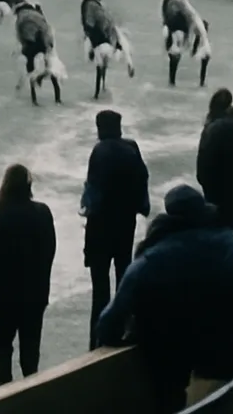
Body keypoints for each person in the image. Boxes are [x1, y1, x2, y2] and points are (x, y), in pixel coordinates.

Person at [96, 184, 233, 414]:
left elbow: (109, 323)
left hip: (168, 365)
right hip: (218, 358)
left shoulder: (150, 261)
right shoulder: (227, 246)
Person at [80, 109, 151, 349]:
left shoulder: (100, 151)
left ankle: (98, 340)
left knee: (100, 289)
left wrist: (86, 207)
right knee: (123, 279)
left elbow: (94, 192)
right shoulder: (132, 148)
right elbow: (143, 181)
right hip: (125, 226)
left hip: (100, 229)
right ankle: (123, 330)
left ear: (101, 128)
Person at [0, 164, 56, 385]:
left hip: (5, 298)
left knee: (5, 360)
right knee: (30, 358)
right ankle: (31, 403)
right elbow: (50, 252)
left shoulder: (0, 217)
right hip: (35, 295)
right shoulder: (43, 213)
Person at [196, 88, 233, 232]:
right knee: (229, 227)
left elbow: (202, 167)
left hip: (212, 186)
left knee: (215, 227)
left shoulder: (210, 126)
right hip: (231, 186)